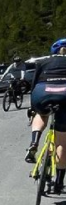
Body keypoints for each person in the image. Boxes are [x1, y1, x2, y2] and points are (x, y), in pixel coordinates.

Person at [25, 38, 66, 193]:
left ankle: (34, 143)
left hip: (42, 92)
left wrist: (33, 108)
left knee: (41, 114)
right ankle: (59, 183)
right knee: (62, 142)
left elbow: (34, 85)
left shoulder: (43, 62)